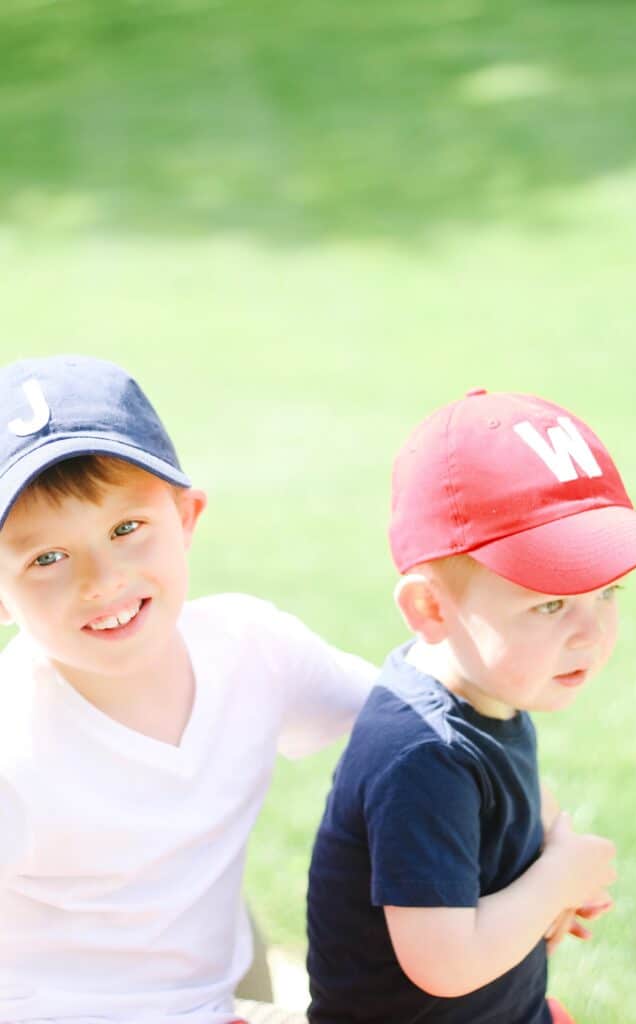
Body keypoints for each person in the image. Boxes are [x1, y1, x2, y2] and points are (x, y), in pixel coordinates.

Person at [0, 354, 376, 1024]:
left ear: (187, 515)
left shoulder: (251, 649)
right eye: (47, 558)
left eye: (126, 529)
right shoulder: (13, 742)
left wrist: (534, 840)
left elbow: (417, 719)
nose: (102, 580)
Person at [306, 388, 636, 1024]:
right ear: (430, 609)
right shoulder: (421, 754)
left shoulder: (487, 680)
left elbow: (516, 786)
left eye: (607, 592)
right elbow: (445, 964)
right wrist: (557, 879)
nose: (591, 635)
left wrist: (552, 841)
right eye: (549, 603)